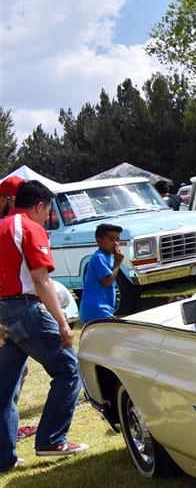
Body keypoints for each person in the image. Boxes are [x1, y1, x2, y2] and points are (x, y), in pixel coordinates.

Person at [0, 180, 88, 472]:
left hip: (3, 315)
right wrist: (63, 323)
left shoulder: (1, 226)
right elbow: (41, 280)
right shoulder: (29, 228)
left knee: (4, 390)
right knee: (68, 370)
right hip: (25, 310)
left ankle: (4, 458)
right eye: (47, 211)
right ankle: (52, 439)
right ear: (39, 206)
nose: (46, 217)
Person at [79, 223, 125, 323]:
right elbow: (107, 281)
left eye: (118, 240)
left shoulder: (107, 257)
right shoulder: (99, 257)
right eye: (111, 239)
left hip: (101, 308)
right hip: (98, 308)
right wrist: (117, 263)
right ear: (99, 240)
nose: (116, 243)